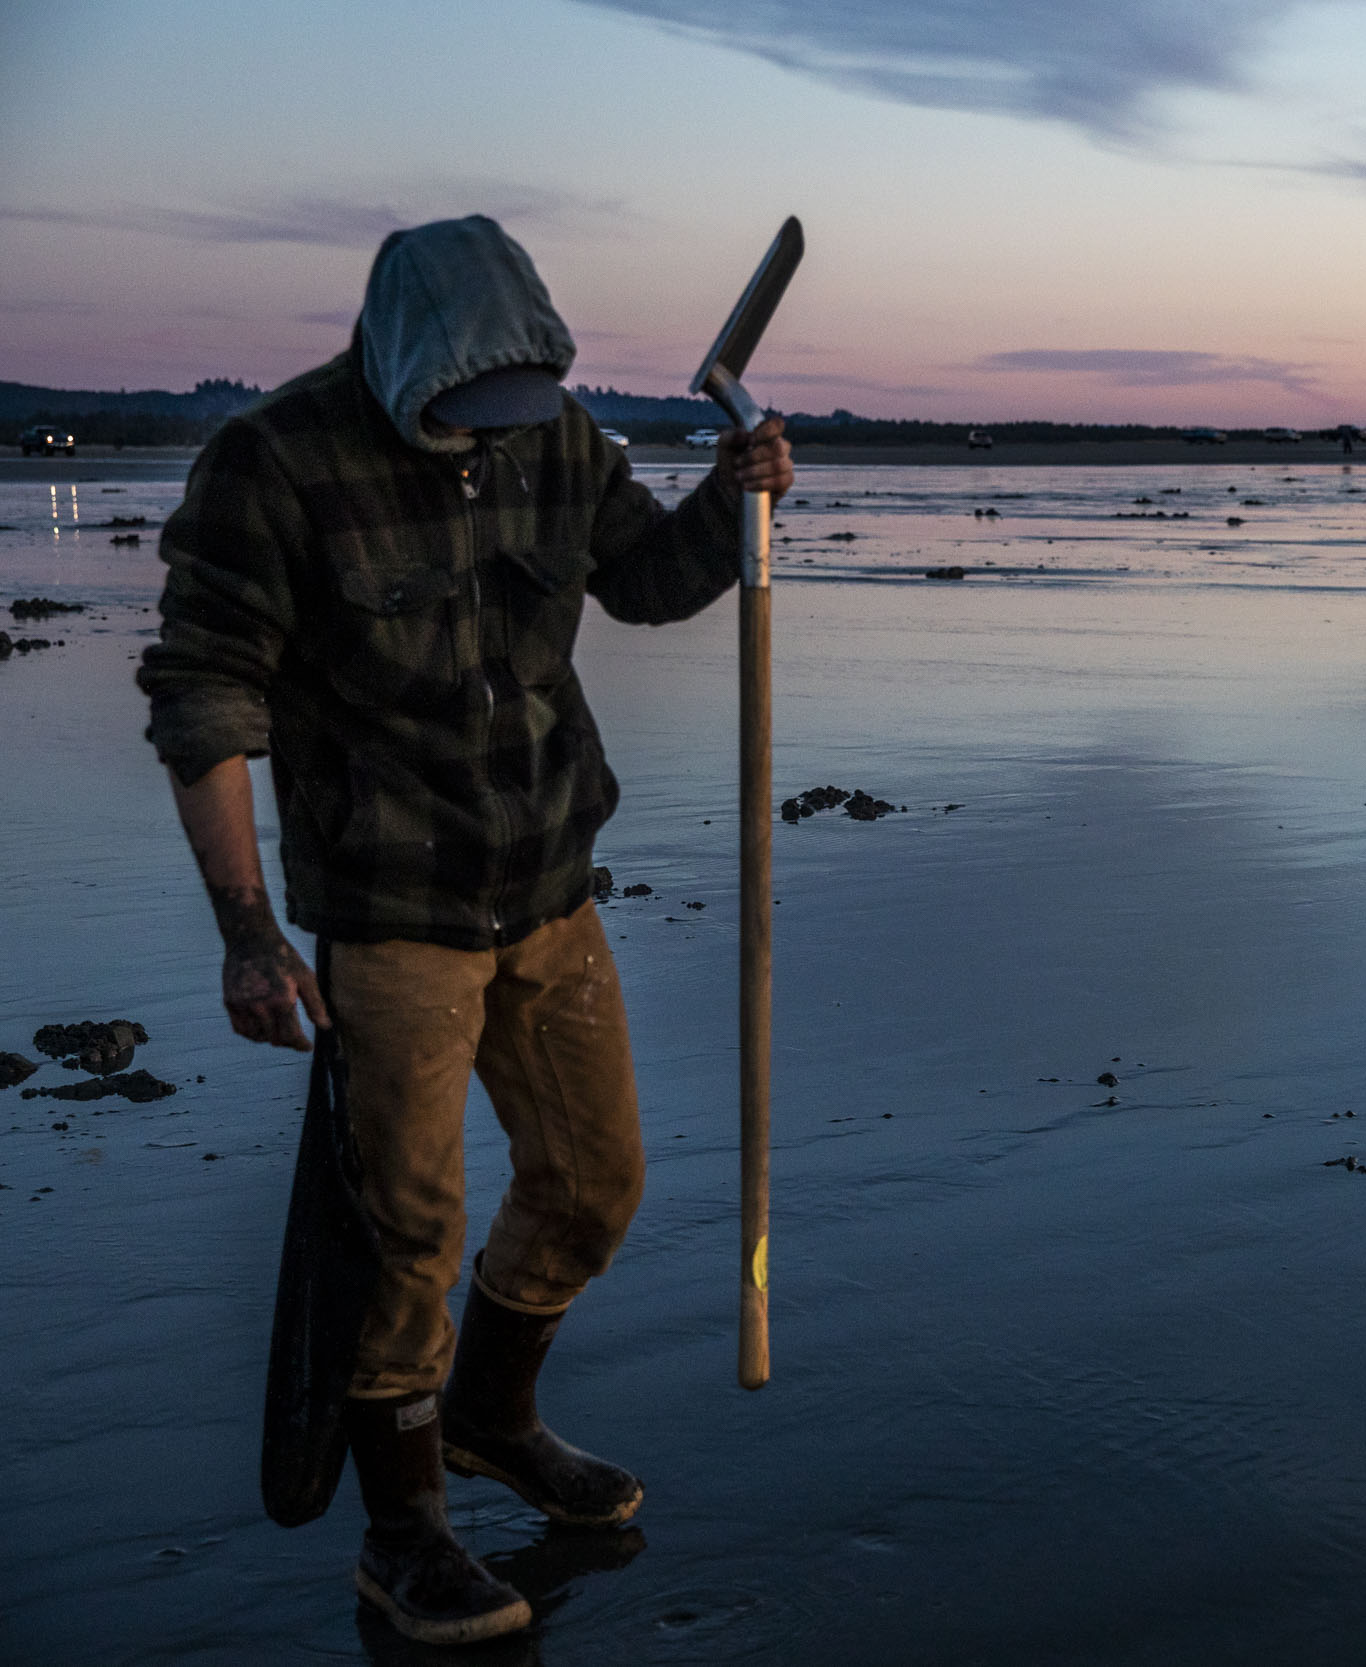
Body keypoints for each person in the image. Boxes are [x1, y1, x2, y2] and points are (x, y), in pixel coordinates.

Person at [137, 216, 792, 1646]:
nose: (490, 431)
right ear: (400, 365)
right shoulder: (276, 463)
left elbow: (649, 580)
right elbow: (204, 699)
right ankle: (406, 1530)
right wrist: (250, 931)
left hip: (548, 880)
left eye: (517, 402)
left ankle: (495, 1413)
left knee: (593, 1180)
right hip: (395, 908)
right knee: (406, 1233)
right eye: (464, 410)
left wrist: (733, 500)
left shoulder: (554, 438)